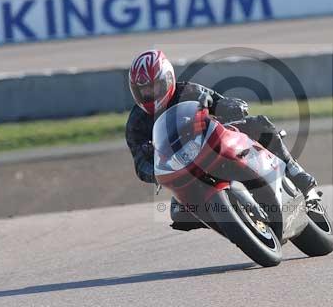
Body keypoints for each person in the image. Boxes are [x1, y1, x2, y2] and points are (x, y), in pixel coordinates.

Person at [125, 49, 318, 231]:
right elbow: (140, 164)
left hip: (213, 145)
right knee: (179, 214)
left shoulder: (188, 91)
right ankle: (224, 221)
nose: (149, 93)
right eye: (143, 90)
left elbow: (216, 100)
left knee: (258, 124)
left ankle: (294, 170)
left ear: (167, 79)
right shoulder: (136, 124)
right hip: (182, 171)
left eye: (153, 86)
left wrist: (229, 105)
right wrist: (155, 170)